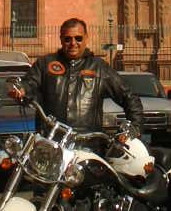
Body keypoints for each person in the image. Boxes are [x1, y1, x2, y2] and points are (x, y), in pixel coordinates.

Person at [10, 17, 144, 135]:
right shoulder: (45, 64)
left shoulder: (99, 67)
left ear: (86, 38)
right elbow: (29, 82)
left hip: (88, 144)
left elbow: (129, 97)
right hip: (52, 143)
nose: (73, 43)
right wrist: (21, 89)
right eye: (67, 39)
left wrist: (134, 127)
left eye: (78, 38)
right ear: (61, 39)